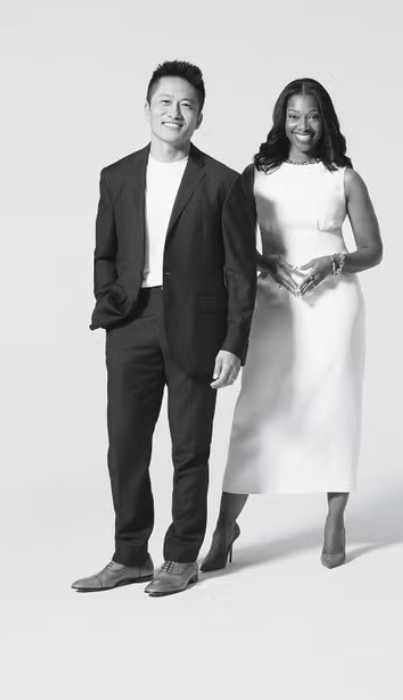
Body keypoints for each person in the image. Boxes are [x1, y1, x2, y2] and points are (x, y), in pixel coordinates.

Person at [72, 60, 256, 596]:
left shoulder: (222, 182)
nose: (174, 112)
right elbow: (104, 252)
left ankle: (181, 557)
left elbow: (239, 271)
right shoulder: (117, 176)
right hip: (130, 322)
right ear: (147, 108)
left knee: (188, 445)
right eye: (165, 102)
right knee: (125, 444)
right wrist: (111, 300)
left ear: (199, 115)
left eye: (186, 104)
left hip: (196, 329)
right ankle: (129, 554)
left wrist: (233, 343)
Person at [201, 78, 383, 573]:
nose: (304, 126)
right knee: (256, 411)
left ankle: (335, 517)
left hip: (335, 309)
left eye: (314, 116)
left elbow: (373, 248)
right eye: (294, 116)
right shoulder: (257, 176)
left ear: (326, 120)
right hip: (274, 307)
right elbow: (234, 246)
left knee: (335, 405)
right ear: (281, 119)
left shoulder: (342, 175)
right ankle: (224, 527)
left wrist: (334, 261)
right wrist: (267, 264)